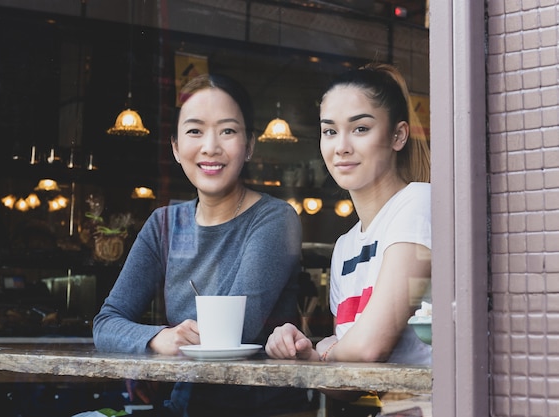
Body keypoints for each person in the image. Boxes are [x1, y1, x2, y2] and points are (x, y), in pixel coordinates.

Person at [93, 73, 313, 417]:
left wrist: (165, 338)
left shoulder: (274, 219)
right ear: (176, 147)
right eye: (195, 131)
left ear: (250, 145)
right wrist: (157, 339)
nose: (211, 146)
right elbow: (106, 323)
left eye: (228, 130)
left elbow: (231, 331)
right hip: (184, 408)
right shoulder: (165, 224)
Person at [265, 63, 431, 416]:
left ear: (398, 136)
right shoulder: (345, 248)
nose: (341, 147)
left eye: (360, 128)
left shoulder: (418, 203)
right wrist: (307, 355)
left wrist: (328, 350)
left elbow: (369, 347)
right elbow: (349, 384)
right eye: (329, 131)